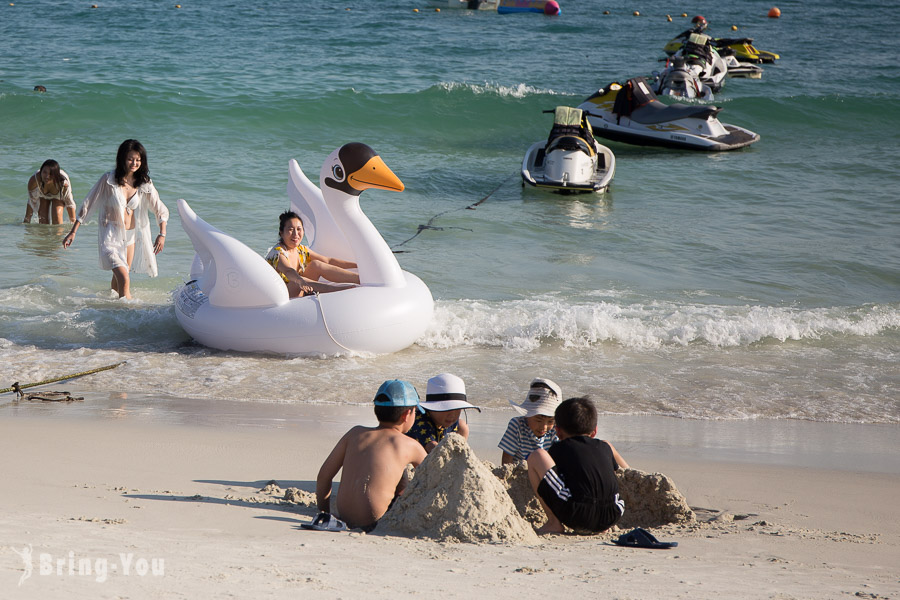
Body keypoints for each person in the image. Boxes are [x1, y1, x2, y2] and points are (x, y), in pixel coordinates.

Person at [315, 379, 428, 531]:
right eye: (415, 411)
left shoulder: (355, 433)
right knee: (403, 475)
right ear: (407, 414)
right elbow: (433, 479)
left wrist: (324, 512)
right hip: (376, 523)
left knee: (400, 472)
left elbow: (324, 476)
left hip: (344, 517)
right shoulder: (410, 445)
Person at [62, 140, 168, 300]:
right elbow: (88, 204)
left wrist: (162, 233)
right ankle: (130, 312)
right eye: (130, 159)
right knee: (124, 277)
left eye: (138, 160)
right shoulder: (108, 180)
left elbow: (159, 208)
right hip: (110, 236)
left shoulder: (144, 183)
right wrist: (73, 231)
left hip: (130, 237)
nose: (134, 163)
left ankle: (113, 309)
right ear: (122, 159)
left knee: (118, 279)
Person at [527, 396, 629, 535]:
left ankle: (553, 523)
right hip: (612, 514)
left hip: (577, 514)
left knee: (538, 455)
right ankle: (602, 526)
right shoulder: (605, 447)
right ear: (594, 431)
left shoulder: (559, 448)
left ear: (558, 431)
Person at [265, 210, 359, 298]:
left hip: (302, 289)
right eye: (290, 229)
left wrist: (357, 265)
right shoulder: (278, 253)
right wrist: (300, 281)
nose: (295, 234)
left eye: (299, 229)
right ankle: (337, 290)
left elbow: (328, 261)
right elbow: (289, 271)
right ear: (281, 233)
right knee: (296, 280)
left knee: (316, 265)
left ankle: (359, 278)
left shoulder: (300, 249)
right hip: (282, 297)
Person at [407, 373, 481, 453]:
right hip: (415, 452)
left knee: (463, 425)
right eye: (447, 409)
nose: (452, 415)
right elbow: (433, 448)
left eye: (457, 409)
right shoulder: (420, 422)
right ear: (432, 408)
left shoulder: (450, 421)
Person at [498, 378, 562, 465]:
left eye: (550, 421)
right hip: (520, 472)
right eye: (539, 420)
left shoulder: (556, 429)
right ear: (527, 415)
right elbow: (507, 460)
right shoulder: (517, 425)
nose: (544, 427)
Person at [24, 159, 76, 224]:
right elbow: (31, 202)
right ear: (41, 171)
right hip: (42, 196)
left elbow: (69, 202)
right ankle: (44, 234)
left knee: (57, 216)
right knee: (43, 219)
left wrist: (74, 224)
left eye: (51, 174)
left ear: (56, 174)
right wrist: (26, 221)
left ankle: (58, 234)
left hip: (58, 196)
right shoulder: (34, 181)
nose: (47, 176)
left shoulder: (63, 183)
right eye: (44, 172)